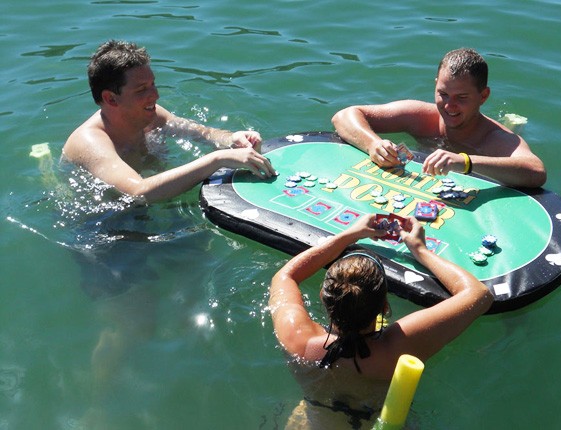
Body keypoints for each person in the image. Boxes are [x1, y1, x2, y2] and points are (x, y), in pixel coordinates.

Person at [269, 214, 493, 428]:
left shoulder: (298, 338)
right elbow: (479, 294)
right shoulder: (399, 346)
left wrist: (349, 235)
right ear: (384, 307)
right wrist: (419, 249)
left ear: (323, 296)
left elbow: (285, 276)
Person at [63, 40, 276, 203]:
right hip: (101, 223)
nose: (155, 95)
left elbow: (201, 133)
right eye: (141, 89)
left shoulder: (150, 115)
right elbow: (137, 192)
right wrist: (218, 159)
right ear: (111, 98)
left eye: (153, 84)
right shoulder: (90, 141)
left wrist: (232, 139)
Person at [332, 48, 546, 188]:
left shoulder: (495, 139)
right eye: (443, 94)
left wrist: (464, 162)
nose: (449, 106)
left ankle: (514, 123)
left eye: (462, 97)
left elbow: (536, 172)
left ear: (483, 96)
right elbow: (343, 116)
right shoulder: (421, 117)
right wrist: (373, 144)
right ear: (435, 85)